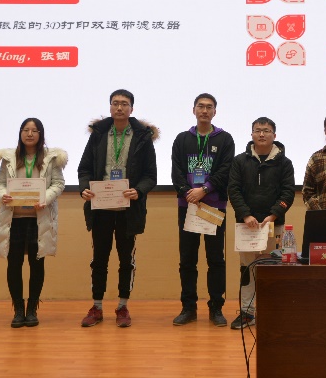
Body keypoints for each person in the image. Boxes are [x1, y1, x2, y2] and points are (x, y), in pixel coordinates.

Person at [78, 89, 158, 328]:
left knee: (126, 260)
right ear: (110, 107)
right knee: (99, 260)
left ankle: (123, 306)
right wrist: (84, 189)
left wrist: (139, 191)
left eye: (124, 104)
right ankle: (97, 306)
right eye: (115, 103)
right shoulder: (98, 134)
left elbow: (150, 175)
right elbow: (84, 169)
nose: (119, 107)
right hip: (100, 208)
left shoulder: (142, 136)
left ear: (132, 109)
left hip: (128, 210)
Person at [0, 118, 68, 328]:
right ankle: (18, 309)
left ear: (41, 134)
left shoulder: (51, 158)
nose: (30, 134)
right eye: (26, 130)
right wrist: (3, 195)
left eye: (34, 130)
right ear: (20, 133)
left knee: (37, 264)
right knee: (14, 264)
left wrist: (46, 198)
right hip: (14, 219)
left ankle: (32, 309)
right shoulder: (9, 158)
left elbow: (59, 184)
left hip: (39, 220)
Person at [171, 93, 235, 327]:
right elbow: (176, 170)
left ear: (215, 112)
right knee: (187, 260)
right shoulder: (182, 139)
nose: (204, 110)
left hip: (213, 206)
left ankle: (216, 308)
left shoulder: (225, 139)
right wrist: (188, 192)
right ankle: (188, 308)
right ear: (194, 110)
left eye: (209, 107)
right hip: (187, 206)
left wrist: (204, 189)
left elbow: (226, 170)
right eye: (201, 106)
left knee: (215, 259)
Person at [228, 117, 295, 329]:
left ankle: (271, 311)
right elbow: (234, 190)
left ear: (274, 135)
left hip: (273, 226)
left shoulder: (284, 163)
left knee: (271, 269)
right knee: (247, 269)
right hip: (246, 226)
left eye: (266, 130)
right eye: (258, 130)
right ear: (252, 134)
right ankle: (247, 312)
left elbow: (288, 193)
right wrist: (246, 215)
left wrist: (273, 215)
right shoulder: (240, 161)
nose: (262, 134)